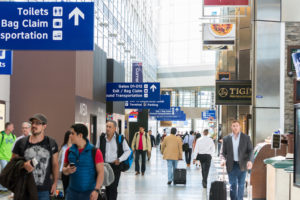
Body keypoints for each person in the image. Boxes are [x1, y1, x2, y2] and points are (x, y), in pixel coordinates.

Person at [12, 113, 59, 200]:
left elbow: (55, 164)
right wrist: (23, 165)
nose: (33, 125)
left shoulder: (51, 143)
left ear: (44, 126)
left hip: (43, 190)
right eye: (32, 123)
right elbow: (12, 164)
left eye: (37, 123)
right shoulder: (21, 143)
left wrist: (55, 183)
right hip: (24, 189)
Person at [63, 124, 104, 200]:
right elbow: (64, 170)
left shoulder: (95, 151)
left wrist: (96, 190)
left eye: (72, 133)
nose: (70, 136)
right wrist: (67, 170)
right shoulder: (69, 151)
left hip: (89, 193)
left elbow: (101, 172)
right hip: (71, 194)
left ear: (80, 135)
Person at [97, 120, 131, 200]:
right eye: (107, 126)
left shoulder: (120, 138)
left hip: (115, 167)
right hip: (104, 167)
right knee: (106, 187)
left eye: (110, 127)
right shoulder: (101, 137)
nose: (107, 128)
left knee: (113, 187)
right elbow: (96, 150)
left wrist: (119, 159)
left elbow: (128, 151)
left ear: (115, 128)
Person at [221, 120, 253, 200]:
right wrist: (223, 159)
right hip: (231, 165)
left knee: (241, 185)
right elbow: (223, 153)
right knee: (232, 185)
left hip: (242, 164)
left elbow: (250, 150)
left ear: (240, 127)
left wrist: (249, 161)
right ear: (231, 127)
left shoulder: (246, 138)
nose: (235, 127)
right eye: (234, 126)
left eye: (237, 126)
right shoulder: (226, 139)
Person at [0, 122, 16, 191]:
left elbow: (15, 146)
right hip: (2, 157)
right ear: (8, 127)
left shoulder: (13, 136)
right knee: (6, 172)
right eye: (12, 127)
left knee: (5, 172)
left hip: (10, 158)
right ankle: (3, 187)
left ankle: (2, 186)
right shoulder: (1, 136)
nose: (13, 128)